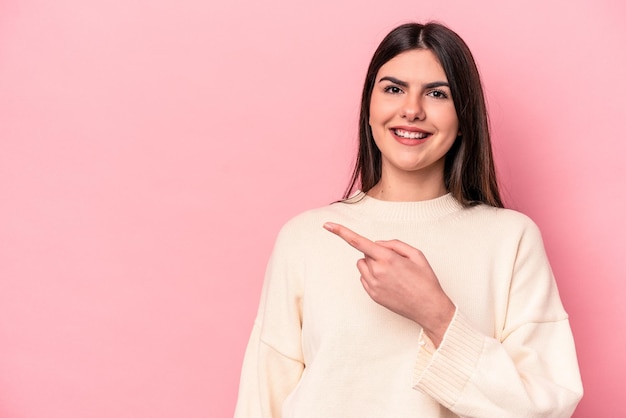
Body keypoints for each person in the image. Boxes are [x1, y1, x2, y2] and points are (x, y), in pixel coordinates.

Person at [234, 22, 583, 417]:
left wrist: (435, 312)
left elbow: (543, 408)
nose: (412, 110)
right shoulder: (305, 237)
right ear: (369, 106)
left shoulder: (512, 239)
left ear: (464, 116)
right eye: (393, 89)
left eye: (437, 93)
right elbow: (262, 401)